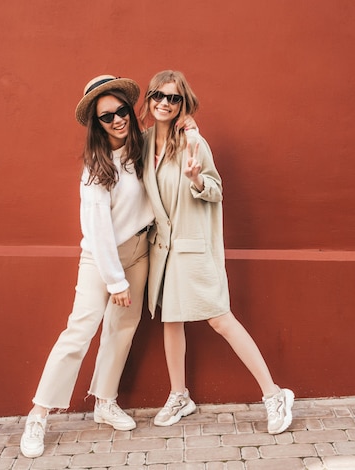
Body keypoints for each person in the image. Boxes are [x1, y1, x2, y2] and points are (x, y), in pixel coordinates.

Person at [140, 70, 294, 435]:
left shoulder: (193, 142)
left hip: (193, 248)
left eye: (173, 98)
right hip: (162, 249)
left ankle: (274, 394)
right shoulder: (144, 142)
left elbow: (215, 189)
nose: (164, 102)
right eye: (158, 95)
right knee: (171, 321)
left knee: (220, 318)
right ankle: (180, 395)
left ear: (183, 105)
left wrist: (195, 178)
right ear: (148, 99)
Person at [20, 75, 155, 458]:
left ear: (131, 110)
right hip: (102, 258)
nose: (117, 120)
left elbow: (173, 143)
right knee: (80, 330)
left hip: (140, 251)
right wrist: (115, 281)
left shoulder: (143, 148)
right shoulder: (97, 169)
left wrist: (187, 126)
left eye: (122, 111)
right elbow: (97, 232)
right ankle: (39, 414)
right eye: (106, 116)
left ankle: (105, 402)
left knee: (122, 329)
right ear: (96, 124)